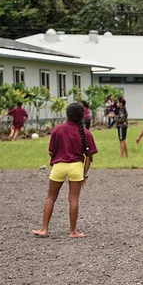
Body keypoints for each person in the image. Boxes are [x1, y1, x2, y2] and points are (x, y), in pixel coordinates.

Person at [32, 102, 97, 239]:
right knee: (73, 199)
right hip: (76, 167)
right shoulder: (86, 133)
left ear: (67, 114)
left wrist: (57, 159)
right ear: (81, 116)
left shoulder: (58, 129)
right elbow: (89, 157)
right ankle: (73, 232)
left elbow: (51, 151)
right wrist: (84, 173)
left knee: (51, 197)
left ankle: (44, 229)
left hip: (59, 166)